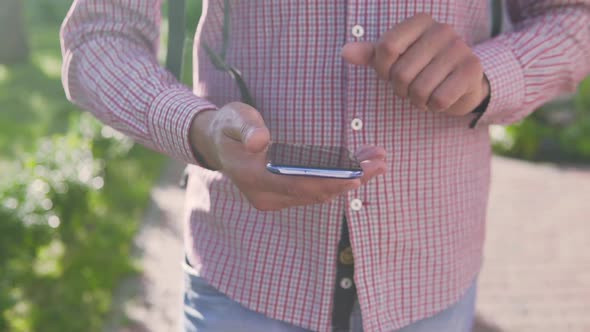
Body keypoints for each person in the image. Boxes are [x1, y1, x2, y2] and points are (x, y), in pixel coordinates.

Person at [60, 1, 590, 331]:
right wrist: (199, 129)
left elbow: (573, 17)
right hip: (245, 271)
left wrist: (490, 73)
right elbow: (99, 36)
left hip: (432, 274)